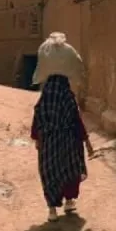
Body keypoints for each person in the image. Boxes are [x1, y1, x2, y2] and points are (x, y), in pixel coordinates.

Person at [30, 73, 95, 222]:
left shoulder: (45, 99)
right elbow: (77, 121)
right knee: (69, 170)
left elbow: (37, 119)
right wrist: (87, 142)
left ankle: (52, 209)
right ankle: (69, 201)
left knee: (50, 172)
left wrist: (37, 139)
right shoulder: (68, 97)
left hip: (49, 143)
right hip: (68, 142)